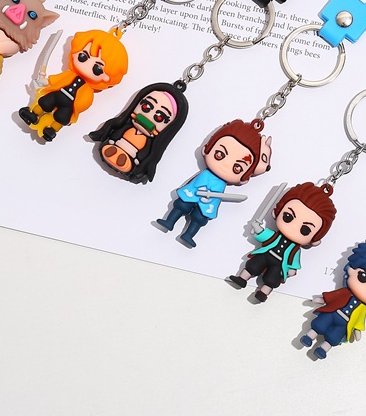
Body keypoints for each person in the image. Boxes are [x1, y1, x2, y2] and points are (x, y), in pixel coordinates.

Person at [156, 118, 272, 248]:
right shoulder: (206, 174)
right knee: (181, 205)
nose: (226, 164)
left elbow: (260, 168)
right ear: (207, 149)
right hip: (193, 192)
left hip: (209, 201)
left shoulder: (221, 184)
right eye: (220, 154)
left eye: (237, 167)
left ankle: (188, 235)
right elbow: (195, 183)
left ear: (244, 178)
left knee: (200, 217)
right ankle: (169, 222)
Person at [300, 238, 366, 359]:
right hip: (333, 312)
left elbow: (360, 319)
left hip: (345, 323)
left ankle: (323, 349)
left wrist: (357, 329)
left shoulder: (362, 308)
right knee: (320, 324)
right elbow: (333, 296)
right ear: (351, 270)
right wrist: (322, 299)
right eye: (363, 277)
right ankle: (309, 336)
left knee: (334, 336)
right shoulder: (345, 292)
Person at [228, 181, 337, 302]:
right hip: (265, 254)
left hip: (279, 264)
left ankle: (263, 292)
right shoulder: (275, 236)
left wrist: (292, 269)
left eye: (305, 230)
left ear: (315, 240)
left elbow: (294, 261)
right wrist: (258, 229)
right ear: (277, 212)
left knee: (272, 278)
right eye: (288, 217)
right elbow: (264, 236)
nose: (293, 228)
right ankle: (242, 278)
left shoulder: (295, 249)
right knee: (253, 265)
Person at [19, 28, 127, 142]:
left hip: (69, 104)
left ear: (107, 77)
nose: (87, 66)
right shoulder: (69, 75)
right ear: (75, 52)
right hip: (57, 93)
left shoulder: (88, 89)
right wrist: (46, 81)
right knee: (45, 102)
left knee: (62, 117)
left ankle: (51, 130)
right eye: (83, 56)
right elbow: (57, 79)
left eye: (97, 68)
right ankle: (33, 114)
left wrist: (77, 109)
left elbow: (86, 101)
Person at [89, 81, 189, 184]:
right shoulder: (124, 125)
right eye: (146, 106)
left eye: (160, 117)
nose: (148, 117)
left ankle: (124, 160)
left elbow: (144, 154)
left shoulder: (151, 145)